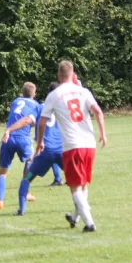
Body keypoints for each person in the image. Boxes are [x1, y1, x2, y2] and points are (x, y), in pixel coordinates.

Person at [36, 61, 106, 232]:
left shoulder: (54, 94)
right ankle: (74, 217)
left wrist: (40, 142)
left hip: (72, 145)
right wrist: (103, 134)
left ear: (58, 76)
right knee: (83, 185)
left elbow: (42, 121)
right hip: (89, 144)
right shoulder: (84, 91)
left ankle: (90, 224)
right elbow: (98, 111)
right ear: (73, 74)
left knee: (75, 186)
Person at [2, 82, 64, 215]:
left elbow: (26, 121)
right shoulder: (64, 108)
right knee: (77, 180)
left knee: (27, 179)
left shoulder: (41, 107)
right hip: (62, 152)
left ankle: (22, 210)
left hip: (44, 152)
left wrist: (10, 129)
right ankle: (82, 210)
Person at [0, 82, 39, 209]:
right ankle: (26, 192)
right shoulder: (36, 105)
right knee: (31, 161)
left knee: (2, 173)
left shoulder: (16, 101)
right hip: (23, 138)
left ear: (22, 93)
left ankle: (0, 201)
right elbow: (32, 122)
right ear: (34, 94)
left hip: (7, 137)